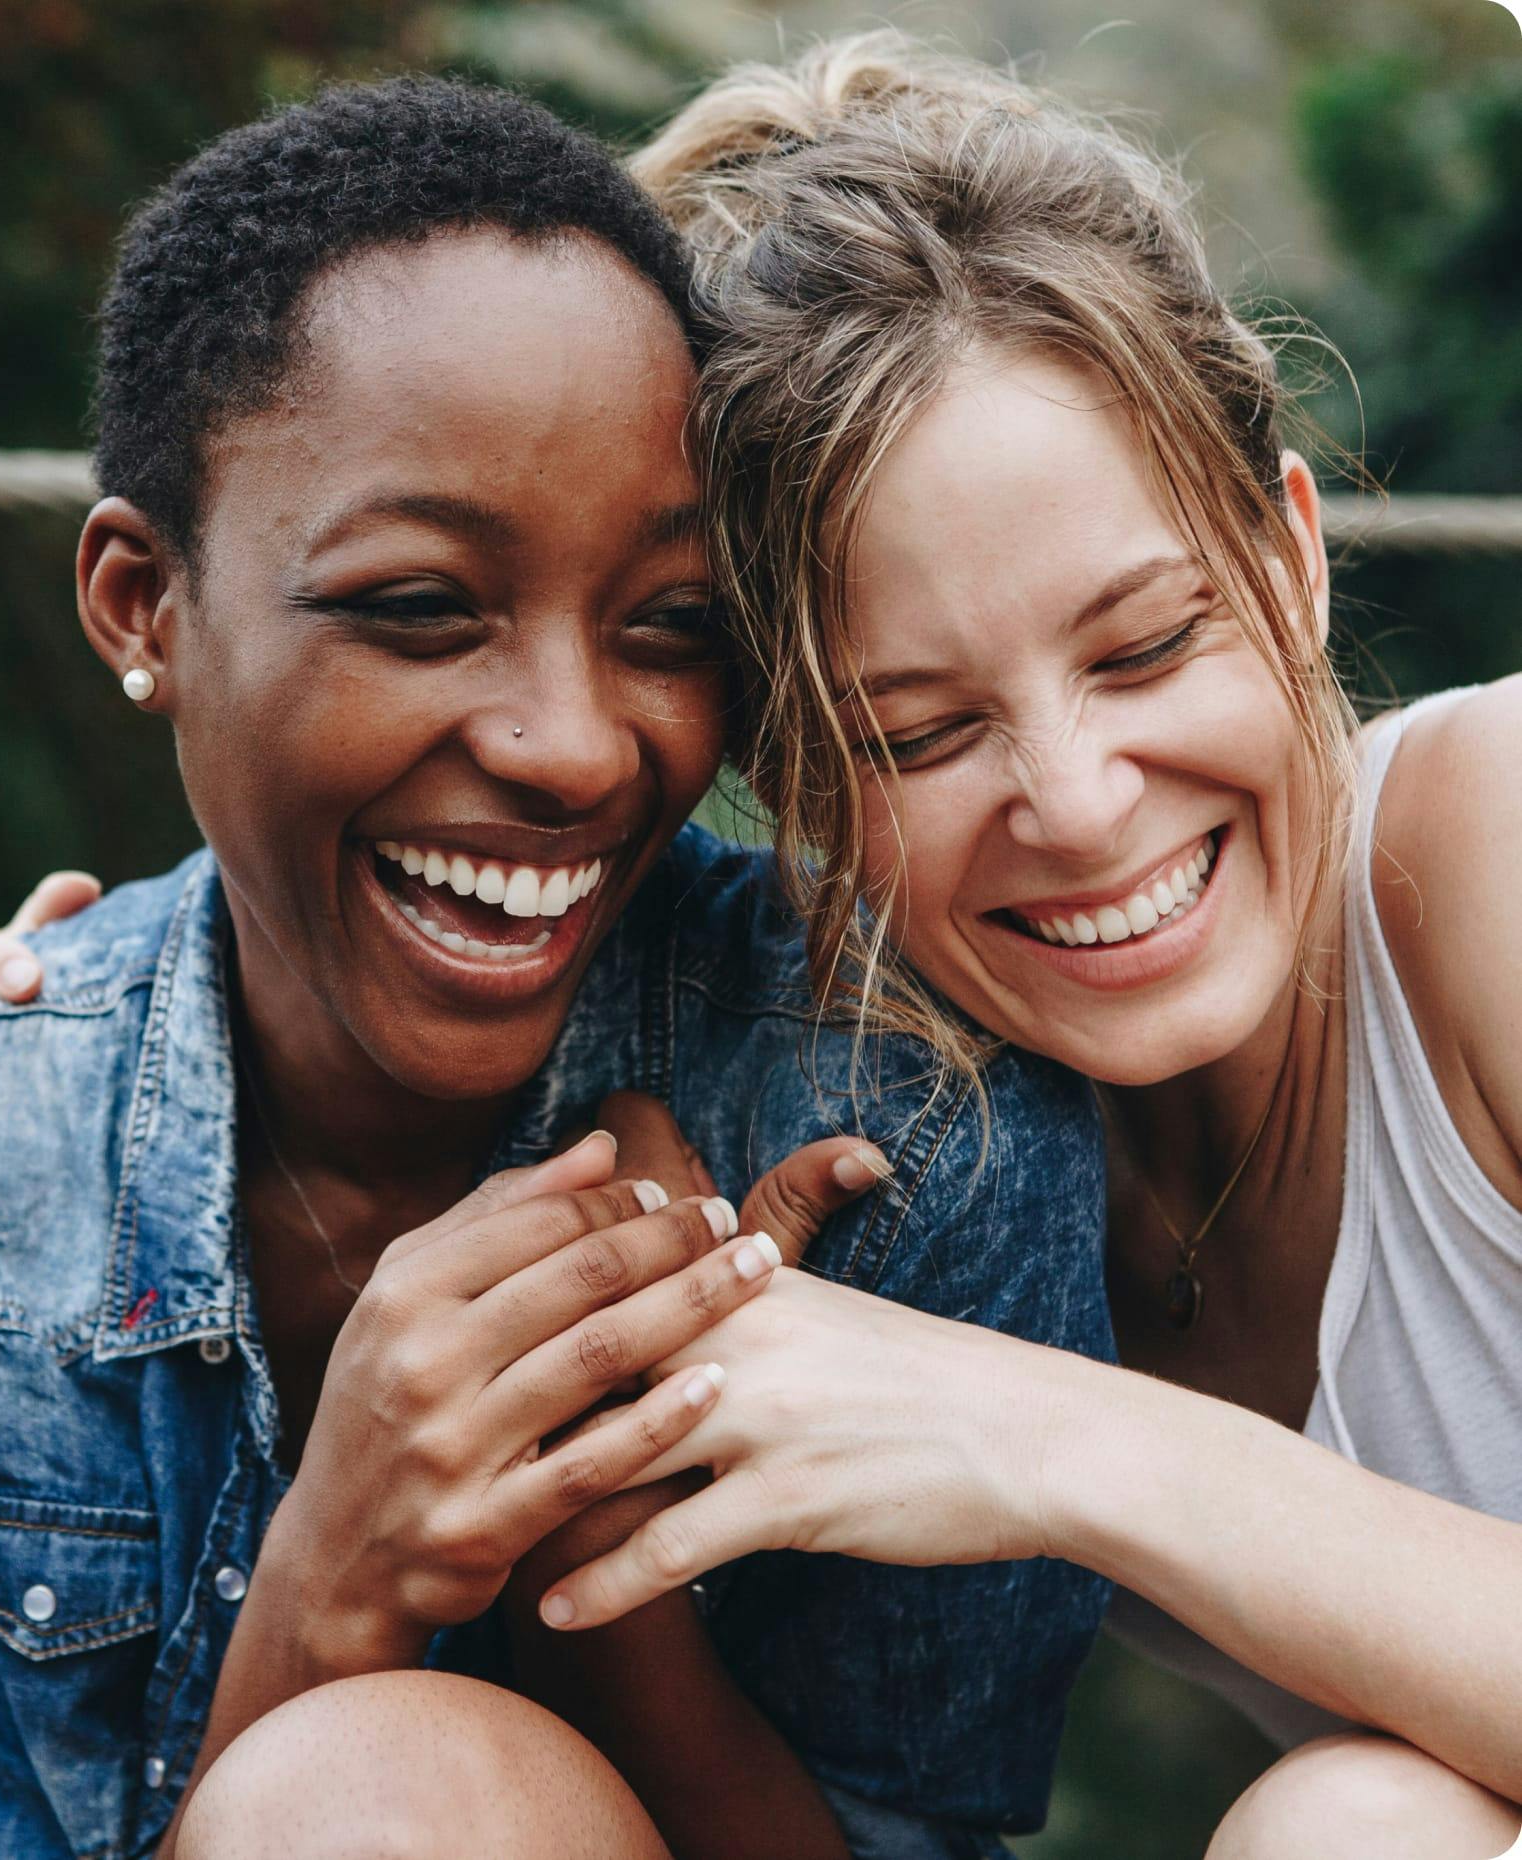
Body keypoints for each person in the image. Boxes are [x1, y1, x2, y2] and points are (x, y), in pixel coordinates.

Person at [0, 71, 1114, 1860]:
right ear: (144, 605)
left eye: (670, 628)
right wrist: (334, 1576)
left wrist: (598, 1555)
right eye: (418, 607)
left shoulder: (902, 1121)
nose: (572, 748)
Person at [516, 34, 1522, 1860]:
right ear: (791, 788)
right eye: (914, 734)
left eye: (1142, 646)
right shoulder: (889, 1127)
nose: (1075, 801)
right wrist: (5, 1011)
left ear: (1288, 556)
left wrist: (1055, 1443)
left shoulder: (1499, 848)